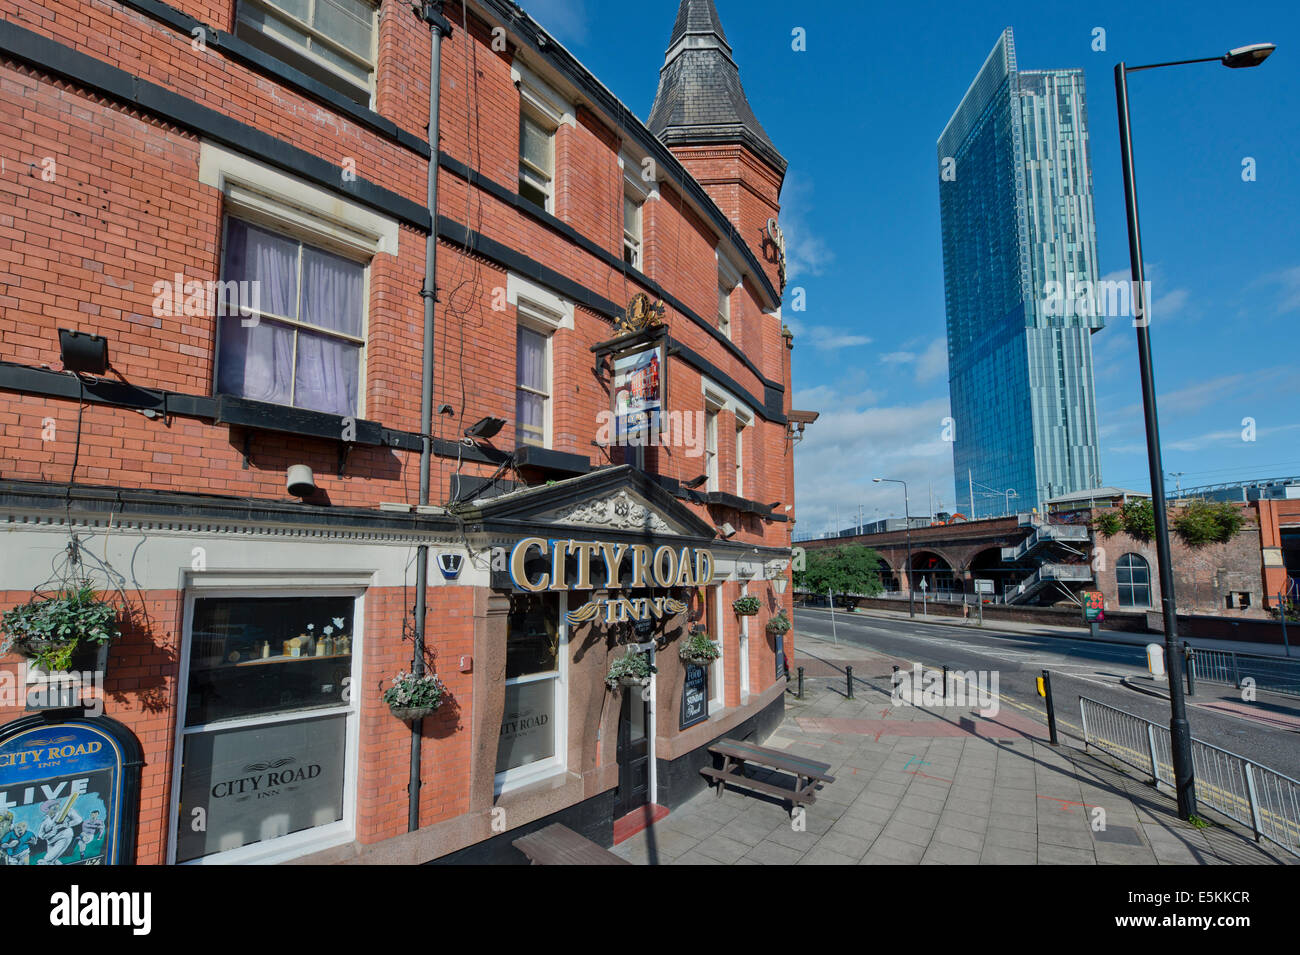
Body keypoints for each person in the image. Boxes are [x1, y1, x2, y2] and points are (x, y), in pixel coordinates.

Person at [36, 799, 81, 865]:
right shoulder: (45, 821)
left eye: (57, 804)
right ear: (47, 809)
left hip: (63, 837)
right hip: (50, 842)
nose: (56, 806)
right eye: (52, 806)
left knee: (47, 859)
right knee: (53, 861)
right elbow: (41, 835)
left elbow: (78, 819)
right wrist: (51, 833)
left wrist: (65, 825)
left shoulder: (66, 812)